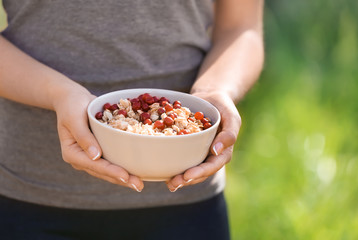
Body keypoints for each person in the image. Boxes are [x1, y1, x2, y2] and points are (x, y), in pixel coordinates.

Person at [0, 0, 264, 239]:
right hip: (30, 195)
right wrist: (58, 94)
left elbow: (241, 28)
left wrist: (215, 92)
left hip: (188, 201)